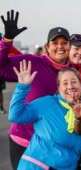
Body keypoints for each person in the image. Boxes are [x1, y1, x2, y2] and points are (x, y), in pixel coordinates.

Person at [0, 10, 73, 169]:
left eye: (64, 42)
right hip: (25, 140)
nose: (59, 46)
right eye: (55, 43)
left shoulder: (73, 73)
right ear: (47, 47)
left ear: (69, 46)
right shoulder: (32, 62)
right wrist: (6, 41)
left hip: (54, 145)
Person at [9, 61, 81, 169]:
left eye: (74, 82)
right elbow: (15, 116)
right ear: (59, 87)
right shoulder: (47, 103)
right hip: (36, 166)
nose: (70, 86)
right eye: (65, 83)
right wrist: (22, 87)